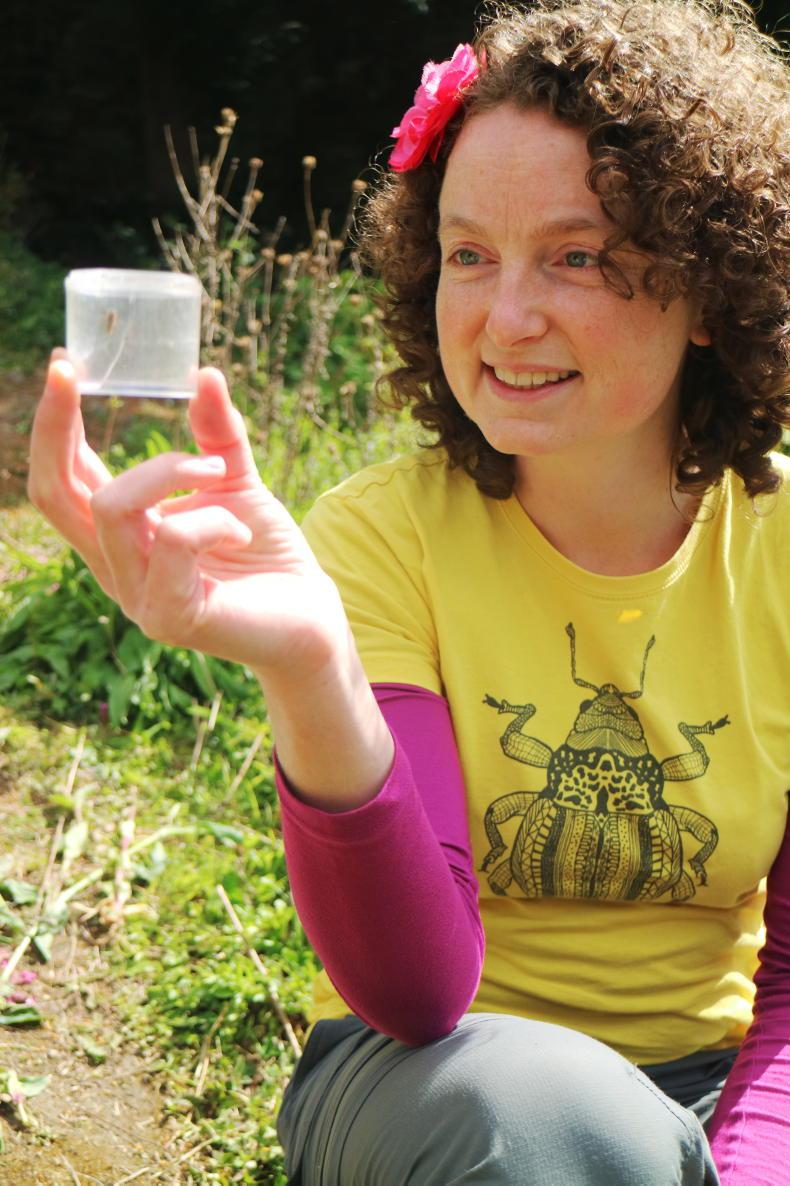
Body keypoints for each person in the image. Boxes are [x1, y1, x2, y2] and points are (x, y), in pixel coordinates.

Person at [28, 0, 788, 1182]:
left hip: (720, 1087)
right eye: (468, 253)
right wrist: (311, 667)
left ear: (707, 285)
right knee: (546, 1114)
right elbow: (419, 992)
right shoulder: (380, 538)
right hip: (440, 1086)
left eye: (577, 255)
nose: (505, 318)